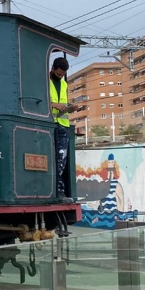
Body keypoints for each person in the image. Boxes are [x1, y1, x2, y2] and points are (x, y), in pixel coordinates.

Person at [50, 56, 80, 202]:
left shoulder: (63, 84)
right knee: (53, 160)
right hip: (48, 123)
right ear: (52, 68)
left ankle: (59, 191)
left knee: (61, 160)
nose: (60, 76)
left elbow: (62, 103)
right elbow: (41, 101)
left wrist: (70, 107)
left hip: (62, 124)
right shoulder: (44, 81)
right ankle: (55, 191)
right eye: (58, 74)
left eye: (62, 75)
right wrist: (53, 105)